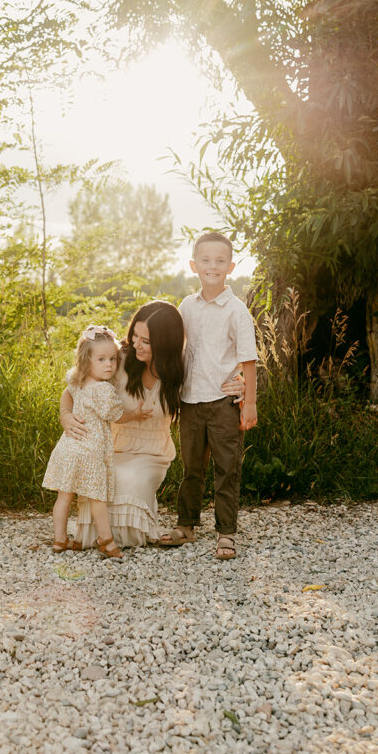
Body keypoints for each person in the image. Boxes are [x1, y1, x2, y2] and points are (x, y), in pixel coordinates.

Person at [160, 232, 258, 561]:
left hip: (223, 403)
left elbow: (248, 361)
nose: (212, 266)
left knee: (227, 468)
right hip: (190, 402)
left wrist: (250, 401)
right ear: (193, 265)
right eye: (205, 260)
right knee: (191, 468)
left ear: (230, 267)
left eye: (219, 261)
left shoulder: (236, 310)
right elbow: (177, 352)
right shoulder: (186, 306)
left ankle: (226, 533)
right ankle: (186, 525)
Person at [60, 301, 185, 548]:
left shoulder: (179, 369)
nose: (136, 343)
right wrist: (65, 415)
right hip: (112, 447)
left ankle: (117, 537)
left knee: (133, 479)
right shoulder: (118, 360)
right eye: (134, 335)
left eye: (145, 341)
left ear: (165, 344)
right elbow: (74, 387)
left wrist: (239, 385)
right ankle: (100, 538)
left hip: (152, 453)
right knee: (107, 477)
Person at [43, 324, 150, 560]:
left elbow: (67, 394)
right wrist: (136, 414)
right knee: (97, 499)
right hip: (90, 453)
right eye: (101, 360)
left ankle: (60, 540)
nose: (109, 365)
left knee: (64, 496)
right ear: (86, 361)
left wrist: (67, 412)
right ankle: (107, 541)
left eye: (112, 359)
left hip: (68, 448)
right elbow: (117, 416)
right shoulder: (103, 390)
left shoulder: (77, 381)